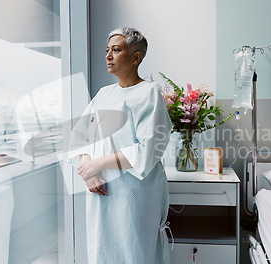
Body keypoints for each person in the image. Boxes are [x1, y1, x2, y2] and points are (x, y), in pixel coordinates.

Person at [67, 27, 173, 264]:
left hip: (134, 194)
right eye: (107, 50)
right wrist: (88, 170)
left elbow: (148, 149)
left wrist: (97, 165)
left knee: (135, 250)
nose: (108, 56)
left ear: (136, 57)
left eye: (116, 50)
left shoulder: (149, 94)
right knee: (103, 249)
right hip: (101, 190)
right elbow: (81, 137)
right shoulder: (104, 94)